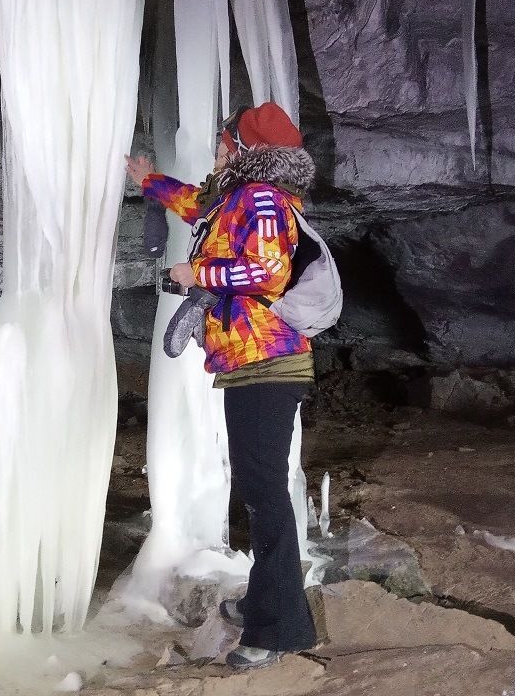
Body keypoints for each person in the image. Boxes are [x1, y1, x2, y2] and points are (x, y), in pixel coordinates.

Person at [125, 101, 318, 670]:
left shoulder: (262, 199)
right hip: (247, 364)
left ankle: (280, 628)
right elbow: (195, 202)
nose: (214, 151)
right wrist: (148, 180)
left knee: (266, 495)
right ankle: (263, 599)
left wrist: (196, 274)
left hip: (268, 363)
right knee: (258, 489)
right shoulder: (236, 197)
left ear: (243, 148)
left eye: (220, 143)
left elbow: (266, 273)